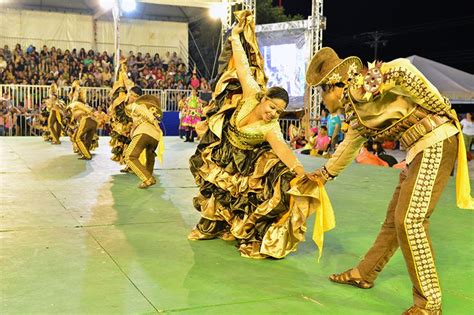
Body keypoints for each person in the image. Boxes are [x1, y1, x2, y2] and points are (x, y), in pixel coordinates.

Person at [306, 47, 473, 314]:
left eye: (321, 93)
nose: (322, 101)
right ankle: (364, 272)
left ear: (333, 86)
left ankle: (429, 303)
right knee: (394, 219)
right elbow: (349, 145)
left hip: (436, 141)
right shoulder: (356, 112)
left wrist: (439, 105)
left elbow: (403, 69)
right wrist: (323, 175)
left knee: (410, 220)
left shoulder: (369, 81)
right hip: (419, 149)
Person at [188, 11, 335, 260]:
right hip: (224, 151)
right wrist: (235, 36)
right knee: (215, 190)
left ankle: (248, 233)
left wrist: (301, 173)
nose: (273, 114)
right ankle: (214, 226)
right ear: (264, 99)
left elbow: (285, 152)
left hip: (246, 163)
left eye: (278, 112)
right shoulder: (252, 93)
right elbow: (243, 65)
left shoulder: (271, 128)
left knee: (249, 195)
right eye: (271, 108)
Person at [124, 95, 164, 189]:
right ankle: (148, 178)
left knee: (129, 156)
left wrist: (153, 120)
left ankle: (148, 179)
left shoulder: (135, 105)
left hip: (144, 132)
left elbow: (143, 110)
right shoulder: (153, 108)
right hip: (155, 136)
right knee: (150, 154)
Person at [67, 88, 98, 160]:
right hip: (93, 122)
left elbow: (89, 111)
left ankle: (87, 155)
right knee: (88, 139)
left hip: (86, 120)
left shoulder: (75, 104)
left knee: (76, 138)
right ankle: (86, 153)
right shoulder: (80, 104)